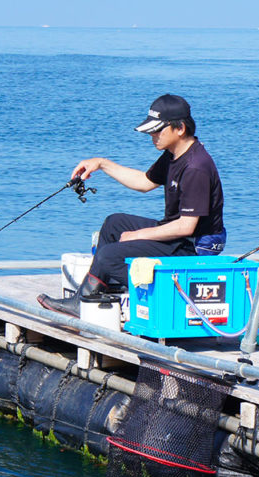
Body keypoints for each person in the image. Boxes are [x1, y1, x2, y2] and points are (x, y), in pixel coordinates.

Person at [37, 94, 225, 318]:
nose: (152, 136)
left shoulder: (196, 167)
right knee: (114, 223)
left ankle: (143, 294)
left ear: (180, 128)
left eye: (157, 130)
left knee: (108, 256)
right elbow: (144, 182)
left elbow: (186, 227)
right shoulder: (174, 154)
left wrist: (138, 235)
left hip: (191, 245)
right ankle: (87, 298)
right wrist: (101, 164)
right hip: (178, 234)